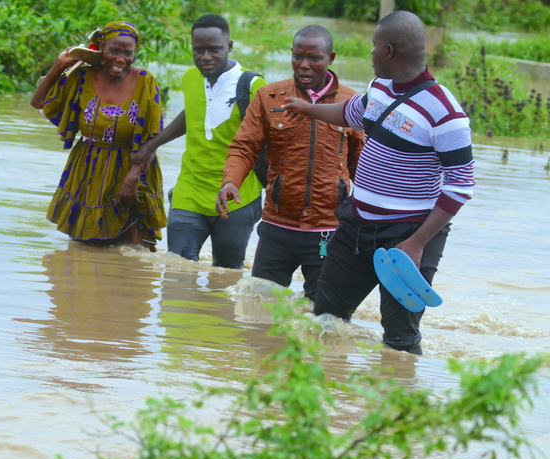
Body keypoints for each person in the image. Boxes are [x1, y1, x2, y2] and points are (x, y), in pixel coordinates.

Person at [280, 11, 475, 354]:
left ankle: (395, 402)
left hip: (408, 235)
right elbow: (349, 113)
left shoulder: (446, 114)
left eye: (373, 46)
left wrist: (417, 244)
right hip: (356, 226)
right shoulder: (379, 89)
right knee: (326, 322)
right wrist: (307, 109)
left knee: (400, 340)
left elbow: (460, 184)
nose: (368, 52)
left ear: (388, 51)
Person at [217, 25, 364, 301]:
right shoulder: (269, 97)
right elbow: (244, 146)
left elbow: (361, 166)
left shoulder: (352, 103)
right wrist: (230, 181)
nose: (304, 66)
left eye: (314, 59)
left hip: (329, 231)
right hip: (277, 228)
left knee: (324, 315)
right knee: (259, 310)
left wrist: (364, 218)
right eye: (297, 57)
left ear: (330, 58)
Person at [131, 14, 266, 268]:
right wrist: (151, 146)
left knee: (225, 276)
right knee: (177, 272)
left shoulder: (254, 86)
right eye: (198, 50)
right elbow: (194, 114)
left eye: (214, 49)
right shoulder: (190, 78)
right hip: (190, 190)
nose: (205, 57)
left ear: (229, 47)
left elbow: (275, 137)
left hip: (238, 196)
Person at [31, 21, 166, 250]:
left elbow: (153, 136)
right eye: (114, 50)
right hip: (87, 171)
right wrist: (59, 65)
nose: (121, 59)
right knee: (83, 248)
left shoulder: (145, 80)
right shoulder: (81, 77)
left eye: (128, 52)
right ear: (101, 48)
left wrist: (132, 178)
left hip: (133, 169)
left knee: (136, 250)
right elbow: (39, 102)